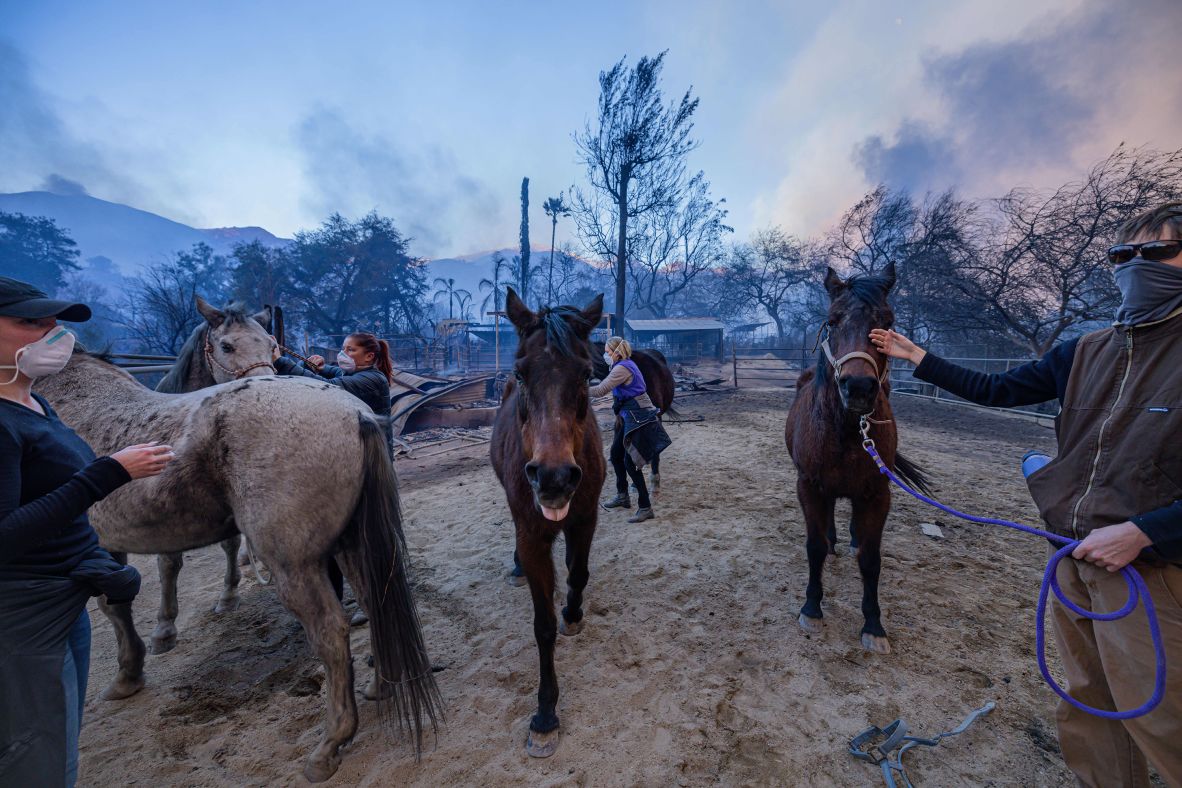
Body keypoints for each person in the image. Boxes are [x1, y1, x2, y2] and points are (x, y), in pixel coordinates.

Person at [869, 202, 1182, 787]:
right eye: (1123, 255)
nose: (1137, 266)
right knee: (1089, 701)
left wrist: (1147, 531)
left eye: (1158, 253)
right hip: (1071, 553)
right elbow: (999, 388)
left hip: (1154, 570)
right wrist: (919, 358)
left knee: (1164, 716)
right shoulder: (1088, 350)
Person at [0, 276, 174, 787]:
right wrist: (110, 472)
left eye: (53, 321)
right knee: (39, 762)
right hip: (22, 617)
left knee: (59, 746)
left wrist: (89, 558)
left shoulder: (31, 403)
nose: (53, 334)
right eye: (30, 321)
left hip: (62, 600)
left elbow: (53, 501)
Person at [273, 332, 395, 625]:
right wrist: (319, 364)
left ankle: (380, 606)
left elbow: (328, 387)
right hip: (356, 467)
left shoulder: (373, 380)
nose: (344, 354)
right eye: (343, 348)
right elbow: (334, 373)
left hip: (372, 471)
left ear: (369, 357)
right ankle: (343, 606)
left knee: (363, 542)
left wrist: (281, 362)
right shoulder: (361, 373)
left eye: (350, 350)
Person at [590, 336, 671, 524]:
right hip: (629, 415)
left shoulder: (622, 368)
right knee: (615, 454)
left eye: (608, 351)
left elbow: (601, 390)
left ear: (617, 351)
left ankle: (645, 507)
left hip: (638, 415)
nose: (606, 354)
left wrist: (576, 388)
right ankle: (623, 496)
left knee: (629, 462)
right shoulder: (625, 364)